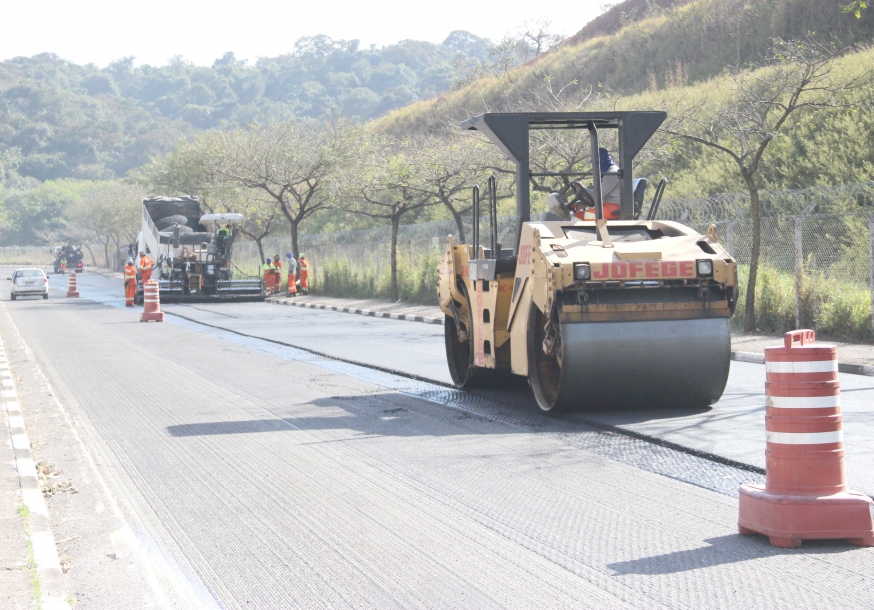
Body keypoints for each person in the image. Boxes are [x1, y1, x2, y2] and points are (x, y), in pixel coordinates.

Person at [572, 148, 622, 220]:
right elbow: (596, 197)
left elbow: (598, 195)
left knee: (577, 218)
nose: (594, 167)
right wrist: (579, 204)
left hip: (614, 209)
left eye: (595, 163)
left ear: (599, 162)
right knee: (574, 214)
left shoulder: (612, 172)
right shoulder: (606, 172)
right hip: (606, 206)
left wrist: (582, 188)